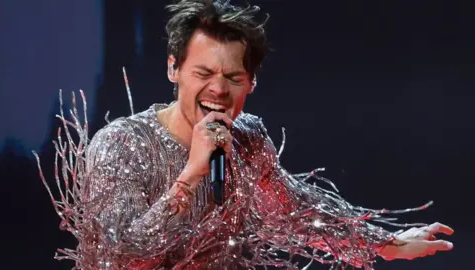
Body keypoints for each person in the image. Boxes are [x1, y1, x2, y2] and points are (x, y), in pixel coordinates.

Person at [35, 0, 454, 269]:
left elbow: (298, 211)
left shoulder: (247, 139)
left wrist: (388, 243)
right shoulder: (120, 144)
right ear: (173, 70)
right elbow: (120, 255)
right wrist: (191, 175)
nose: (218, 89)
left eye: (233, 76)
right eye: (203, 73)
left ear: (251, 83)